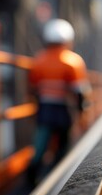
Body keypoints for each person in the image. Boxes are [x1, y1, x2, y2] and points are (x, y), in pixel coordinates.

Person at [27, 19, 91, 185]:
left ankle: (31, 178)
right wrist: (82, 112)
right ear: (68, 40)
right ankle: (57, 176)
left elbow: (33, 88)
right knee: (63, 143)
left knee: (40, 143)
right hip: (63, 109)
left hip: (45, 108)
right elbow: (79, 92)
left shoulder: (39, 60)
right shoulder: (73, 61)